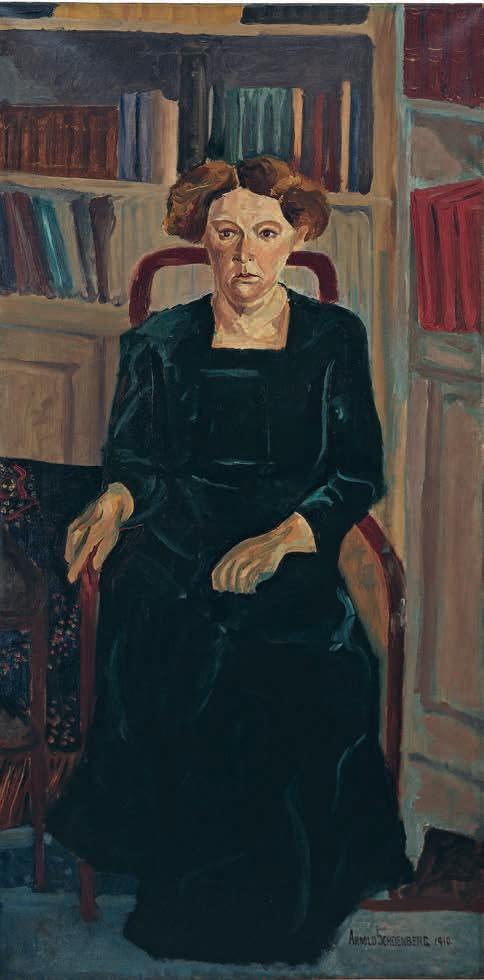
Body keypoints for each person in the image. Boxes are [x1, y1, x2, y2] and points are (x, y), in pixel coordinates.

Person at [47, 156, 412, 965]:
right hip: (176, 545)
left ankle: (284, 899)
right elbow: (135, 462)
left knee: (306, 667)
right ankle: (189, 893)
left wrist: (282, 539)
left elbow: (356, 474)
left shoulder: (334, 338)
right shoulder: (158, 341)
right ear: (200, 239)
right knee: (180, 653)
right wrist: (114, 500)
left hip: (290, 545)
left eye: (266, 233)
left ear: (299, 237)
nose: (246, 256)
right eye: (226, 234)